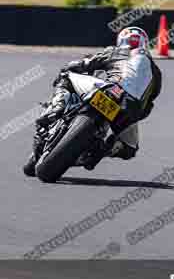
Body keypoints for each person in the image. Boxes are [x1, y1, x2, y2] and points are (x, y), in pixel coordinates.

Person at [23, 27, 163, 176]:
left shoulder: (116, 51)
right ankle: (105, 150)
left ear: (121, 41)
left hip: (111, 90)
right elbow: (148, 106)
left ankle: (57, 108)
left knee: (66, 75)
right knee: (129, 148)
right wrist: (132, 116)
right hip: (131, 110)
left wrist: (74, 65)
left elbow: (84, 64)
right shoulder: (156, 73)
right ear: (144, 44)